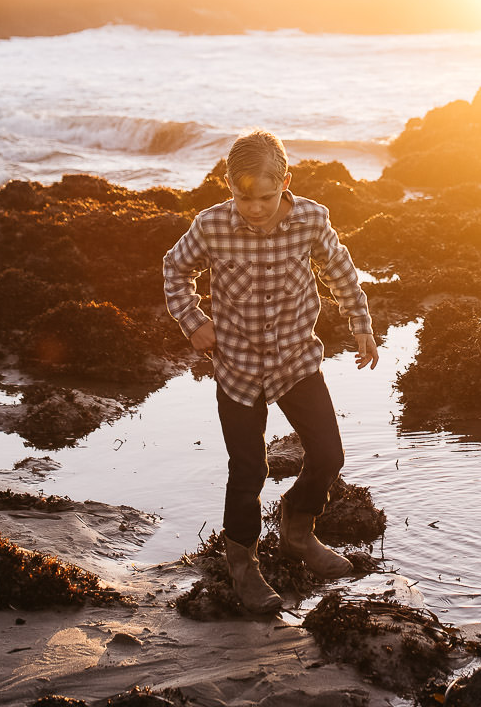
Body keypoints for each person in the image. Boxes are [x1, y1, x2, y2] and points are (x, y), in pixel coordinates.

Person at [162, 129, 379, 613]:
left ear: (286, 181)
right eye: (243, 197)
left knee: (328, 454)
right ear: (228, 186)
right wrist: (193, 321)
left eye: (264, 196)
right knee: (248, 470)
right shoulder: (211, 225)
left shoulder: (309, 220)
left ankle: (298, 529)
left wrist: (361, 324)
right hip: (237, 369)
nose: (254, 207)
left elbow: (339, 269)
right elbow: (174, 269)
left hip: (296, 361)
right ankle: (243, 563)